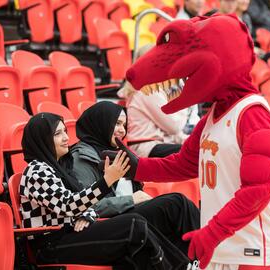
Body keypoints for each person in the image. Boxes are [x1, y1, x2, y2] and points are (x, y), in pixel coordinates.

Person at [104, 14, 270, 270]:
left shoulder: (252, 114)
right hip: (227, 246)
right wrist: (139, 168)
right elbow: (186, 163)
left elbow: (260, 189)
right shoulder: (213, 115)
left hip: (258, 249)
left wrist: (212, 232)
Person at [19, 112, 190, 270]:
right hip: (51, 245)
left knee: (163, 209)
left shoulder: (60, 167)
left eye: (65, 131)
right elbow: (69, 205)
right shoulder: (36, 171)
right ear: (42, 140)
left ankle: (188, 263)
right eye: (57, 134)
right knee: (133, 225)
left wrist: (86, 215)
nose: (66, 138)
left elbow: (83, 206)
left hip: (71, 234)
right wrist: (107, 181)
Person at [64, 101, 200, 259]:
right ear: (101, 123)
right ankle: (200, 258)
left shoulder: (115, 152)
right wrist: (131, 199)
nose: (122, 130)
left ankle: (192, 260)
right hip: (110, 223)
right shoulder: (81, 158)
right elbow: (85, 205)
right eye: (117, 124)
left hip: (127, 214)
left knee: (178, 210)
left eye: (124, 125)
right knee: (176, 204)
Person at [119, 44, 200, 158]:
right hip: (147, 148)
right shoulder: (147, 91)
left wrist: (189, 140)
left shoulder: (150, 88)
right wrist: (183, 96)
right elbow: (175, 126)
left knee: (200, 147)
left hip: (157, 144)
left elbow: (172, 130)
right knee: (196, 152)